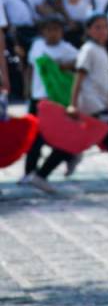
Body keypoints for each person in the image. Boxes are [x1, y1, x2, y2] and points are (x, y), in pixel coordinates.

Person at [28, 12, 108, 192]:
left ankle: (42, 174)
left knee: (79, 140)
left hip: (99, 102)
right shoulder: (88, 50)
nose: (102, 31)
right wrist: (73, 103)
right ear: (88, 30)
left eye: (105, 27)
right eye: (97, 27)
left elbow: (101, 82)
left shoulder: (100, 49)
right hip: (91, 104)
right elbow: (79, 78)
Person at [22, 15, 79, 181]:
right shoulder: (37, 45)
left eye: (56, 29)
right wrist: (27, 88)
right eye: (49, 29)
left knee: (56, 135)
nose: (53, 33)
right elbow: (30, 67)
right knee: (33, 136)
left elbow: (80, 64)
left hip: (55, 99)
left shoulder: (67, 49)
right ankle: (30, 171)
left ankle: (69, 156)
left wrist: (63, 66)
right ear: (43, 32)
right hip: (37, 96)